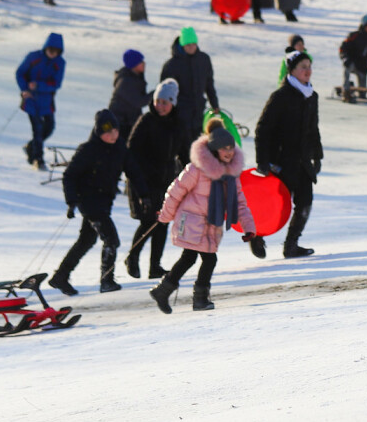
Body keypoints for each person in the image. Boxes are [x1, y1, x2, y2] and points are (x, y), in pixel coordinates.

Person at [150, 119, 261, 314]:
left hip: (211, 225)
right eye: (224, 148)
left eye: (231, 148)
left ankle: (164, 290)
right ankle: (198, 298)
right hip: (192, 222)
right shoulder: (197, 169)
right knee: (204, 260)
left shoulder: (231, 175)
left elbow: (240, 204)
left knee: (190, 258)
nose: (229, 152)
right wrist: (165, 216)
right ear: (214, 149)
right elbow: (176, 191)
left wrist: (250, 228)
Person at [49, 110, 147, 296]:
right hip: (89, 202)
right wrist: (71, 201)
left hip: (104, 202)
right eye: (106, 132)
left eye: (114, 131)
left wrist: (144, 195)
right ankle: (107, 280)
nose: (112, 135)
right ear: (98, 132)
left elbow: (133, 172)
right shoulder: (88, 149)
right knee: (111, 240)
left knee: (86, 240)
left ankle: (60, 276)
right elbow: (69, 175)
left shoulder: (120, 149)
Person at [255, 51, 324, 258]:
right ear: (292, 71)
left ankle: (291, 245)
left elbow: (313, 129)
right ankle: (256, 236)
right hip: (281, 162)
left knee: (305, 203)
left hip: (302, 161)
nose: (307, 71)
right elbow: (262, 129)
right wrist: (263, 161)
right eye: (303, 66)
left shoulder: (312, 96)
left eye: (309, 66)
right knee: (273, 206)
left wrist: (317, 155)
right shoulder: (280, 96)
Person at [125, 79, 185, 280]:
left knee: (163, 221)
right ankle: (132, 257)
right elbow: (131, 151)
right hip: (144, 179)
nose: (160, 106)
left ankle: (155, 266)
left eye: (164, 103)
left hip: (165, 179)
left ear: (172, 103)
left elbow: (184, 151)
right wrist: (142, 178)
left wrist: (189, 173)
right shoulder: (146, 121)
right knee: (149, 220)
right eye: (157, 101)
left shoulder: (177, 123)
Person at [160, 27, 219, 147]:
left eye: (193, 44)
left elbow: (209, 84)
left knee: (198, 145)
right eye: (188, 45)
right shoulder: (172, 65)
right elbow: (164, 93)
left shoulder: (203, 59)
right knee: (183, 145)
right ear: (182, 45)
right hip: (180, 112)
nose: (191, 47)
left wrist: (215, 104)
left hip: (198, 110)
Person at [16, 32, 65, 170]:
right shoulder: (33, 57)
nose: (52, 53)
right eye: (50, 50)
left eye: (56, 51)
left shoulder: (60, 63)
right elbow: (20, 73)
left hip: (47, 101)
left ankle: (31, 147)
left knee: (49, 128)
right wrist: (24, 88)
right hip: (31, 100)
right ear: (46, 48)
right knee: (37, 129)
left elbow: (56, 83)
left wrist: (38, 85)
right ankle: (38, 159)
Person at [109, 49, 149, 141]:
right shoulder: (126, 81)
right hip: (120, 124)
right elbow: (138, 102)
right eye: (140, 61)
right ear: (134, 65)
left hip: (128, 122)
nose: (144, 63)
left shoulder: (136, 78)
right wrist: (156, 93)